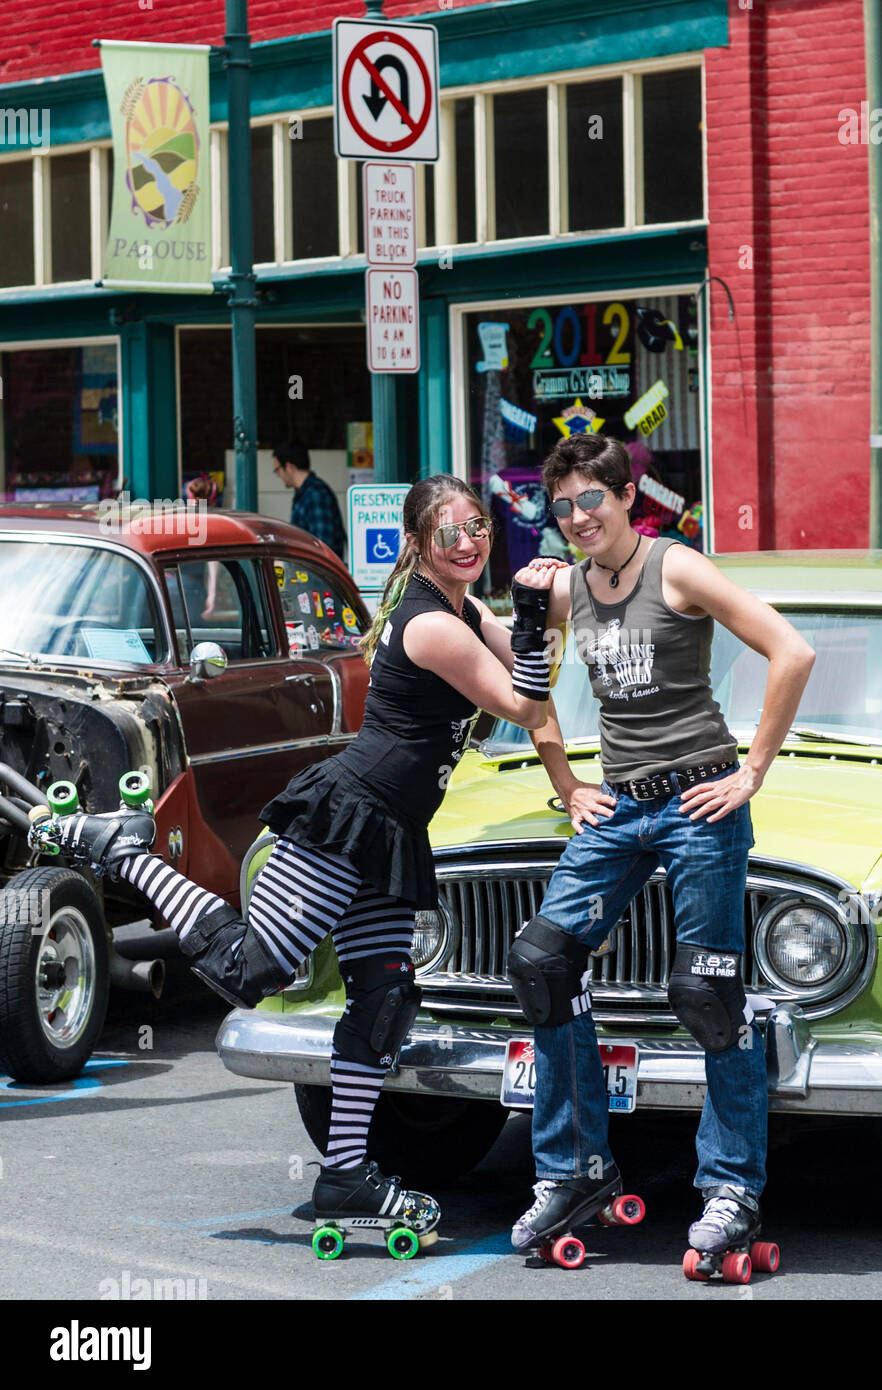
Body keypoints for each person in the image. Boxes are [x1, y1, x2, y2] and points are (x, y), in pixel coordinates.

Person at [39, 474, 557, 1236]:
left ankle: (345, 1174)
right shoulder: (432, 623)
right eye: (450, 532)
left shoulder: (465, 606)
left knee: (382, 1002)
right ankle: (125, 851)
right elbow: (521, 698)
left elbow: (531, 655)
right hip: (348, 819)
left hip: (392, 834)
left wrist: (565, 595)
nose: (469, 542)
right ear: (418, 544)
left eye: (478, 526)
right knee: (258, 969)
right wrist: (542, 614)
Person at [505, 433, 815, 1263]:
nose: (576, 518)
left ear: (624, 496)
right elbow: (524, 689)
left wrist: (752, 771)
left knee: (708, 996)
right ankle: (576, 1169)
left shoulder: (675, 567)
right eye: (561, 506)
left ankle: (730, 1193)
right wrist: (565, 780)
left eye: (590, 501)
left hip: (698, 799)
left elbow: (793, 650)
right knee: (542, 962)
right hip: (620, 809)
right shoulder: (571, 586)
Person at [273, 440, 347, 558]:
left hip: (319, 573)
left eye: (277, 470)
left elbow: (324, 547)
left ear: (288, 466)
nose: (278, 475)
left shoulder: (315, 495)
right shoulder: (306, 494)